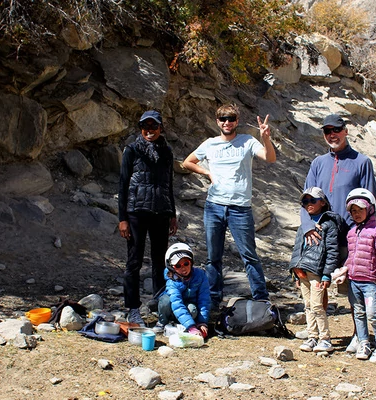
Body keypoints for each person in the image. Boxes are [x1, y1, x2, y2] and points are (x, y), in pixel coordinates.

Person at [182, 104, 276, 308]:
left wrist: (265, 137)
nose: (227, 122)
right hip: (214, 206)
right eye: (223, 118)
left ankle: (261, 299)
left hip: (240, 208)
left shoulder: (247, 141)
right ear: (217, 121)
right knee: (213, 257)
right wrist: (206, 172)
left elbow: (270, 158)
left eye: (231, 118)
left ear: (237, 121)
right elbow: (187, 162)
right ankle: (214, 299)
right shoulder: (210, 144)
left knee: (249, 255)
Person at [301, 113, 376, 352]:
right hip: (320, 236)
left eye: (336, 130)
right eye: (327, 131)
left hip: (351, 236)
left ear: (346, 131)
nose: (332, 135)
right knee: (318, 286)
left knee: (355, 287)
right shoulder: (318, 163)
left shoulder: (361, 162)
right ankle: (320, 334)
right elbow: (305, 199)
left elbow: (370, 202)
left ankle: (359, 335)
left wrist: (364, 234)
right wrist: (306, 228)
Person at [118, 110, 178, 327]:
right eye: (145, 126)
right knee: (134, 261)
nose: (149, 131)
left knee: (161, 261)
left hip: (161, 212)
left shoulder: (167, 152)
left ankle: (160, 307)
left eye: (154, 126)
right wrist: (122, 218)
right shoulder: (132, 150)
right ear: (141, 128)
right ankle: (132, 309)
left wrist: (172, 214)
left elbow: (169, 184)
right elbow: (123, 185)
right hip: (136, 212)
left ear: (161, 128)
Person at [336, 188, 376, 363]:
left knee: (372, 313)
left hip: (370, 283)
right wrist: (344, 271)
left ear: (370, 209)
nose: (357, 214)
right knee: (358, 313)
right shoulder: (351, 233)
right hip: (354, 282)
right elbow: (351, 257)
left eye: (360, 210)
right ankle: (364, 343)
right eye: (353, 211)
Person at [289, 187, 343, 353]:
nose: (309, 204)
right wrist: (295, 271)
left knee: (317, 305)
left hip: (317, 273)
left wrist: (327, 274)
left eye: (312, 200)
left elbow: (332, 251)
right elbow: (297, 249)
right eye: (305, 201)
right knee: (307, 305)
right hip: (302, 272)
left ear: (323, 202)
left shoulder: (329, 225)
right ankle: (312, 336)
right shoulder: (303, 226)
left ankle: (325, 338)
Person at [153, 243, 211, 339]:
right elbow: (176, 303)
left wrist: (202, 322)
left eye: (186, 263)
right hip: (172, 307)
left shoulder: (201, 276)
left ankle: (181, 323)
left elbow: (204, 300)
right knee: (165, 301)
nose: (183, 268)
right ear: (171, 267)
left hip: (188, 306)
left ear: (191, 262)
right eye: (178, 265)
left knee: (192, 310)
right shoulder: (171, 281)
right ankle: (162, 322)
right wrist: (191, 327)